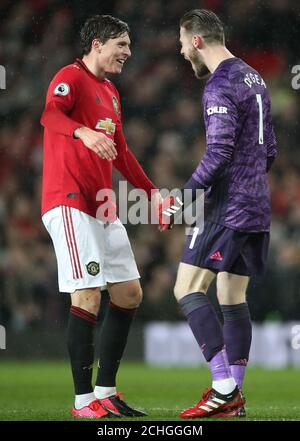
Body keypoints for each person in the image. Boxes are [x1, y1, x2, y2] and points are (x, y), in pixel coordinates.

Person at [41, 14, 161, 419]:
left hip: (103, 205)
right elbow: (50, 116)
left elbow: (122, 152)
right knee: (88, 295)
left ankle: (105, 391)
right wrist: (83, 132)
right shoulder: (69, 77)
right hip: (69, 201)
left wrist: (153, 196)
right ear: (97, 44)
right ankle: (82, 403)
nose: (128, 53)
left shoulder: (110, 92)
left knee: (128, 293)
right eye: (122, 45)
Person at [160, 9, 277, 418]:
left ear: (196, 41)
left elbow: (219, 153)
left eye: (180, 41)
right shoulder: (255, 77)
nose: (178, 49)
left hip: (226, 208)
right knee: (232, 296)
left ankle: (223, 389)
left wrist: (183, 198)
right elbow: (271, 150)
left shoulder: (220, 85)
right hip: (258, 205)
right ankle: (236, 399)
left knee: (186, 289)